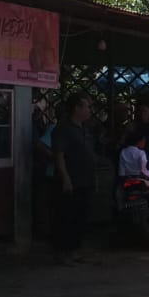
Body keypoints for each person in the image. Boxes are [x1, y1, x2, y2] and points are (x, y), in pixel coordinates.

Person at [51, 93, 96, 266]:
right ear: (77, 108)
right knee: (66, 216)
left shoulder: (84, 129)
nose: (89, 110)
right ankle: (62, 252)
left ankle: (74, 251)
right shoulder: (63, 129)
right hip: (72, 179)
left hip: (85, 179)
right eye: (87, 106)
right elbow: (59, 155)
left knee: (80, 216)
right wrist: (65, 177)